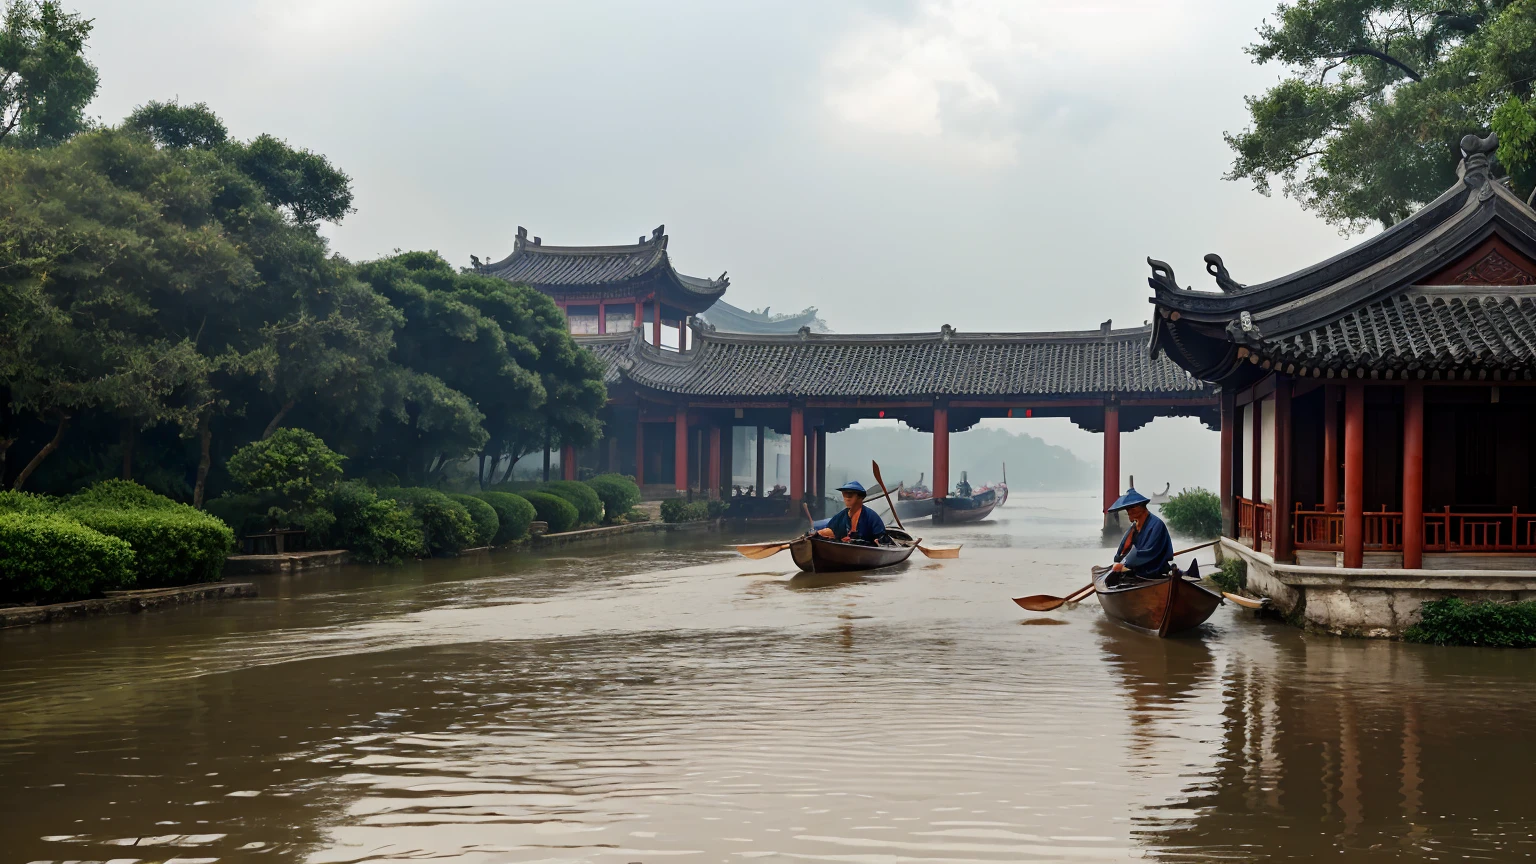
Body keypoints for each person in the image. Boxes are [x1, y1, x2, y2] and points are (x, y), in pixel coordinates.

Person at [1107, 487, 1174, 580]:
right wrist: (1119, 561)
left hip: (1154, 568)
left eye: (1132, 507)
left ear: (1141, 507)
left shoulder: (1156, 525)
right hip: (1136, 567)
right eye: (1127, 508)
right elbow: (1123, 549)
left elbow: (1149, 552)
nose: (1129, 511)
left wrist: (1125, 563)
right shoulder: (1134, 527)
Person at [818, 480, 888, 544]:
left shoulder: (871, 517)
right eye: (844, 495)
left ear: (860, 497)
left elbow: (881, 539)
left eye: (850, 495)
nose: (846, 499)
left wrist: (856, 542)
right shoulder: (840, 517)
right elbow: (830, 531)